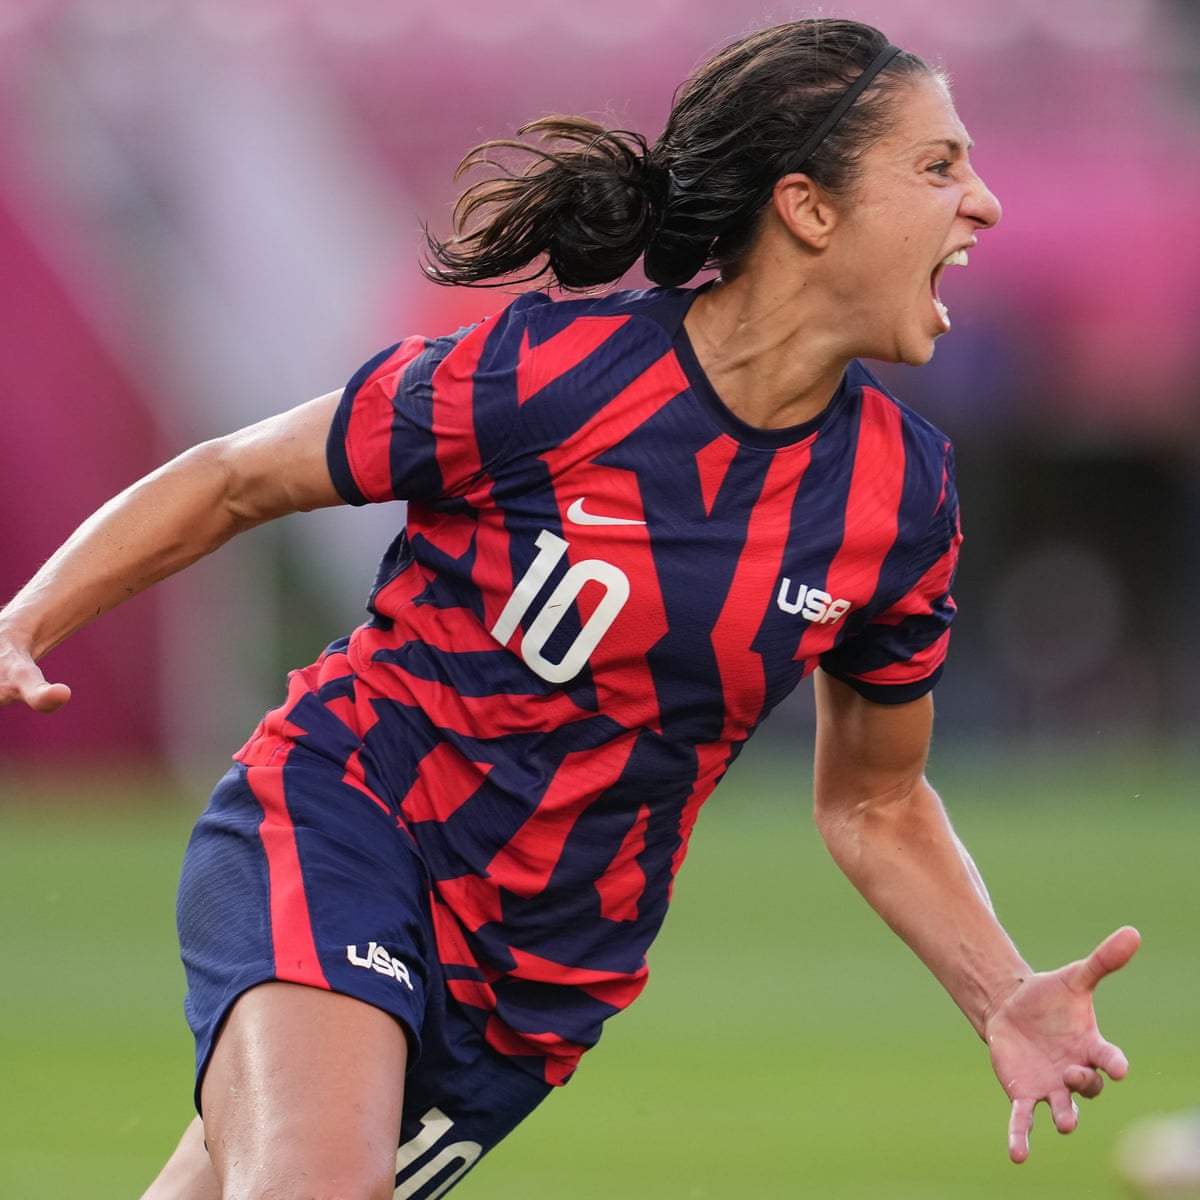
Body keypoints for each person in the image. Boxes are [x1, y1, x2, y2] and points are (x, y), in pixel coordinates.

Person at [0, 18, 1140, 1200]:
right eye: (940, 166)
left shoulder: (902, 500)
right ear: (808, 207)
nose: (985, 204)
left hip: (533, 991)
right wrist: (23, 617)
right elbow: (238, 476)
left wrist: (1001, 988)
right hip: (353, 824)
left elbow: (877, 800)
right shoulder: (553, 375)